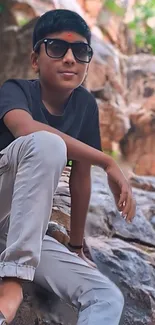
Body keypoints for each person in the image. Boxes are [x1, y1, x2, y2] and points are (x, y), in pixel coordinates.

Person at [0, 9, 136, 325]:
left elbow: (80, 176)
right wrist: (107, 160)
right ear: (35, 59)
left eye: (81, 51)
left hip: (21, 229)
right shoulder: (14, 90)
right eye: (57, 48)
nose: (70, 58)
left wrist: (76, 245)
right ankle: (12, 282)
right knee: (48, 144)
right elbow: (26, 130)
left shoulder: (85, 105)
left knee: (106, 296)